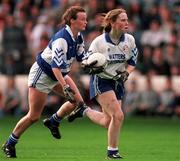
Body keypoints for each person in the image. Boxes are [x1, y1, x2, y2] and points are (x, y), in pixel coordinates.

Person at [2, 6, 88, 158]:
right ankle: (10, 143)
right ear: (72, 21)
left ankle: (53, 121)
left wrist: (97, 63)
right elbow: (55, 67)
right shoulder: (62, 38)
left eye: (86, 19)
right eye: (82, 19)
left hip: (58, 74)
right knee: (34, 116)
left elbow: (83, 59)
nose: (86, 22)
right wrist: (65, 86)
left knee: (78, 102)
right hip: (43, 74)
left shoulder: (78, 37)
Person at [68, 8, 139, 159]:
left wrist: (126, 73)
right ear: (112, 22)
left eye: (127, 20)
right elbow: (85, 63)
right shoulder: (99, 42)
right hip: (101, 81)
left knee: (109, 121)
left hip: (117, 82)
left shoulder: (130, 40)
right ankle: (112, 152)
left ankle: (84, 111)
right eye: (122, 20)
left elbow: (132, 62)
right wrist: (90, 65)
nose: (127, 23)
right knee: (118, 115)